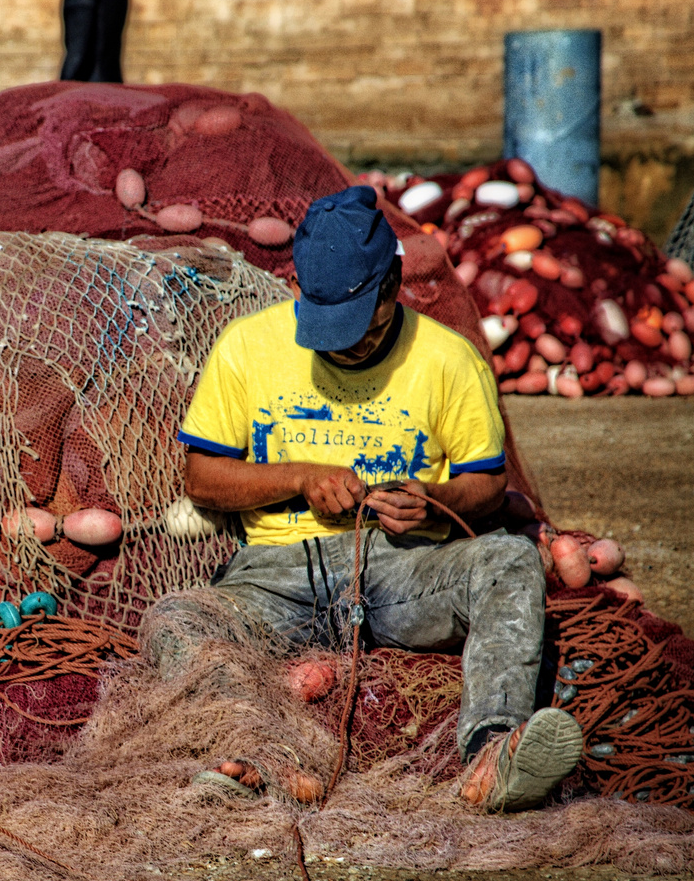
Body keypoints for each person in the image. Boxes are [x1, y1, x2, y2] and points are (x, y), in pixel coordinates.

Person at [146, 186, 583, 813]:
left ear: (394, 283)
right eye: (325, 327)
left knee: (511, 562)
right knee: (177, 620)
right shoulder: (245, 347)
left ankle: (493, 754)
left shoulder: (448, 359)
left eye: (359, 326)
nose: (342, 346)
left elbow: (487, 487)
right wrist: (298, 477)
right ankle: (253, 755)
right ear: (298, 291)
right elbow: (202, 479)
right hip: (275, 576)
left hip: (401, 567)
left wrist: (432, 501)